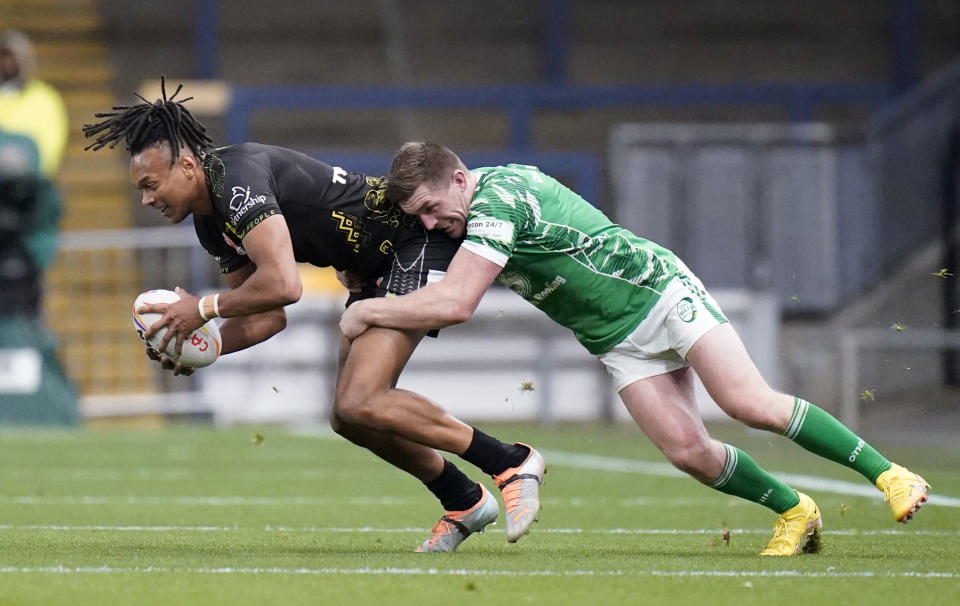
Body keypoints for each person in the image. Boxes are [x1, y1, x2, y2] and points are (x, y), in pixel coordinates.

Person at [340, 141, 932, 556]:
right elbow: (435, 285)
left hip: (657, 294)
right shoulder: (465, 219)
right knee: (687, 451)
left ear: (460, 180)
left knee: (747, 403)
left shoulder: (500, 196)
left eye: (431, 207)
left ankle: (891, 476)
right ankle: (796, 510)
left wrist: (366, 309)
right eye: (418, 216)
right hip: (615, 338)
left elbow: (456, 303)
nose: (430, 223)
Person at [82, 83, 545, 552]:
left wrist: (200, 309)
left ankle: (510, 461)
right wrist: (206, 346)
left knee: (362, 398)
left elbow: (284, 284)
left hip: (412, 240)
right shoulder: (210, 224)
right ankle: (463, 499)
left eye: (149, 185)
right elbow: (268, 317)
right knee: (349, 417)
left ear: (185, 166)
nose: (146, 199)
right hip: (371, 272)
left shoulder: (236, 178)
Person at [0, 30, 69, 177]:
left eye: (12, 58)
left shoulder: (44, 98)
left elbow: (53, 140)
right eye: (3, 57)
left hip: (31, 179)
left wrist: (37, 171)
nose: (7, 63)